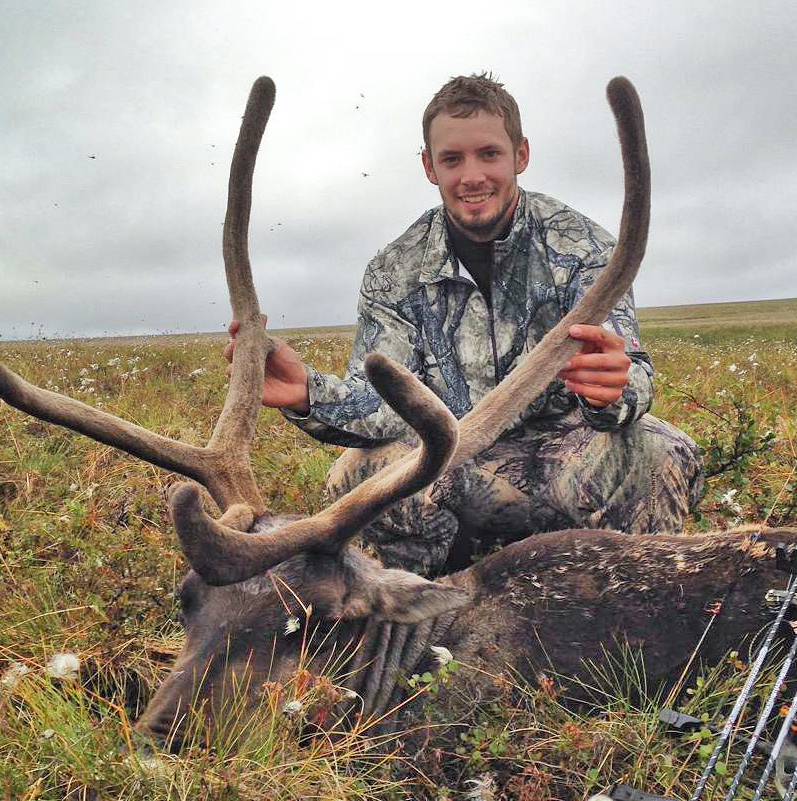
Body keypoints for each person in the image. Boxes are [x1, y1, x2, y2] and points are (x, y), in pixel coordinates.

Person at [226, 73, 703, 577]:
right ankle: (427, 603)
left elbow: (629, 370)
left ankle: (633, 604)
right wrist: (307, 394)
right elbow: (382, 407)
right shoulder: (395, 270)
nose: (472, 175)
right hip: (453, 463)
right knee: (357, 474)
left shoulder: (586, 249)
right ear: (430, 167)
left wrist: (615, 387)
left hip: (563, 457)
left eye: (489, 154)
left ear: (520, 154)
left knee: (661, 452)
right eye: (452, 159)